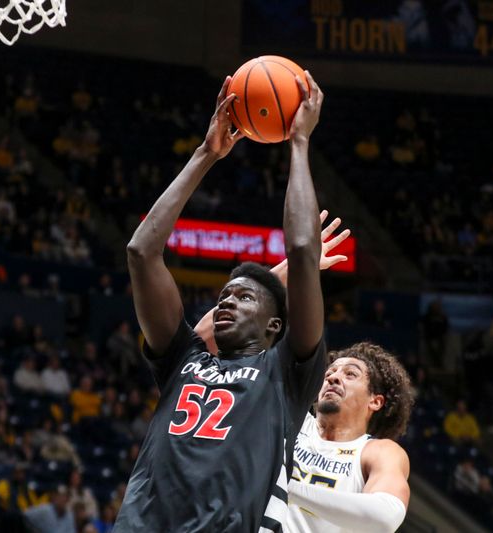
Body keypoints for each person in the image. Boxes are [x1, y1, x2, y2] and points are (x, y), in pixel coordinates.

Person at [114, 73, 327, 532]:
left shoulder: (286, 373)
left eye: (244, 297)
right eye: (224, 296)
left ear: (275, 327)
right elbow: (141, 252)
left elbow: (304, 252)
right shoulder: (182, 358)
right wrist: (205, 155)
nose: (227, 302)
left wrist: (299, 142)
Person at [284, 344, 413, 533]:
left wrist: (285, 486)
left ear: (375, 401)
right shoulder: (292, 420)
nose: (333, 377)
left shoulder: (378, 451)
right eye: (329, 373)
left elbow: (384, 517)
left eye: (350, 374)